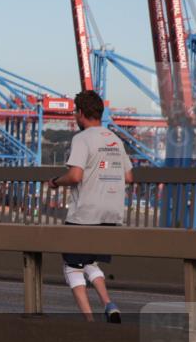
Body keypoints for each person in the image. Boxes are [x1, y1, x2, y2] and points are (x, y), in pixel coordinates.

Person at [48, 90, 133, 323]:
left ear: (81, 113)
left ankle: (89, 321)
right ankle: (109, 304)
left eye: (76, 112)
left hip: (85, 215)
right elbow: (129, 177)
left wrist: (56, 182)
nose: (75, 116)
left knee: (72, 267)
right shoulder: (116, 139)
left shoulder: (82, 138)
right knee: (89, 261)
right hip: (112, 215)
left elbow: (75, 176)